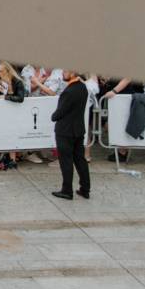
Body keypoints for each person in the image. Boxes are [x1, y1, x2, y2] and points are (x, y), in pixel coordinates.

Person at [51, 70, 91, 201]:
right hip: (78, 129)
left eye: (65, 71)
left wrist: (53, 116)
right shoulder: (83, 87)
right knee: (80, 159)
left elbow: (59, 113)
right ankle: (85, 189)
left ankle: (67, 190)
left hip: (65, 131)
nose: (63, 73)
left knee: (66, 161)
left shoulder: (69, 91)